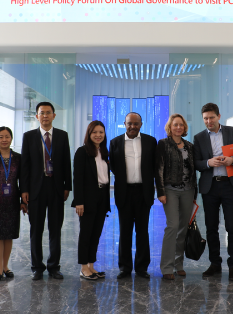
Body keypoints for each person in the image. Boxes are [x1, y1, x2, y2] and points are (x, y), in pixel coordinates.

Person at [193, 102, 233, 281]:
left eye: (212, 117)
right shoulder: (199, 137)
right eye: (205, 118)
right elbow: (196, 162)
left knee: (232, 227)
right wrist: (208, 163)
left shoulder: (232, 132)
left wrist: (232, 160)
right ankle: (215, 263)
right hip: (210, 187)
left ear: (219, 116)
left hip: (230, 185)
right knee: (211, 227)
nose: (209, 121)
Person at [20, 102, 72, 280]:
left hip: (56, 187)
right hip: (36, 189)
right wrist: (24, 190)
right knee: (36, 229)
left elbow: (66, 162)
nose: (45, 116)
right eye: (41, 113)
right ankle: (37, 267)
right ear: (37, 116)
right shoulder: (28, 137)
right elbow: (25, 166)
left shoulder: (62, 136)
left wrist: (67, 186)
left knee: (55, 229)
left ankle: (54, 266)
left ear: (54, 116)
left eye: (48, 113)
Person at [109, 112, 157, 279]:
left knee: (143, 231)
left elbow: (155, 166)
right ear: (124, 124)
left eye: (136, 123)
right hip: (124, 192)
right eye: (129, 123)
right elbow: (113, 166)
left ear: (141, 125)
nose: (132, 126)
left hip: (144, 192)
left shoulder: (151, 141)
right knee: (125, 231)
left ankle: (142, 268)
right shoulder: (115, 142)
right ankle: (125, 268)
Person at [155, 114, 198, 280]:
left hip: (188, 190)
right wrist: (160, 192)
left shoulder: (189, 146)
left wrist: (195, 193)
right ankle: (167, 267)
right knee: (172, 226)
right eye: (175, 125)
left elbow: (193, 170)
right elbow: (159, 169)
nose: (178, 127)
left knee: (183, 228)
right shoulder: (163, 144)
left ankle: (178, 264)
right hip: (170, 190)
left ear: (184, 127)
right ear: (170, 127)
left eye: (181, 125)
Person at [0, 126, 27, 281]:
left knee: (9, 235)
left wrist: (23, 201)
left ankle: (6, 266)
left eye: (7, 136)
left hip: (12, 201)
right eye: (1, 137)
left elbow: (23, 181)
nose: (4, 139)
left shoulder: (19, 158)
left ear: (11, 138)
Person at [72, 121, 111, 281]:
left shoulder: (104, 151)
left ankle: (91, 265)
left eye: (101, 132)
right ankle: (83, 267)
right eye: (94, 132)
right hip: (88, 198)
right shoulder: (82, 152)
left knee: (96, 233)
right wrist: (79, 201)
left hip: (103, 196)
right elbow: (77, 178)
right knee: (86, 234)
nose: (98, 135)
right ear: (89, 134)